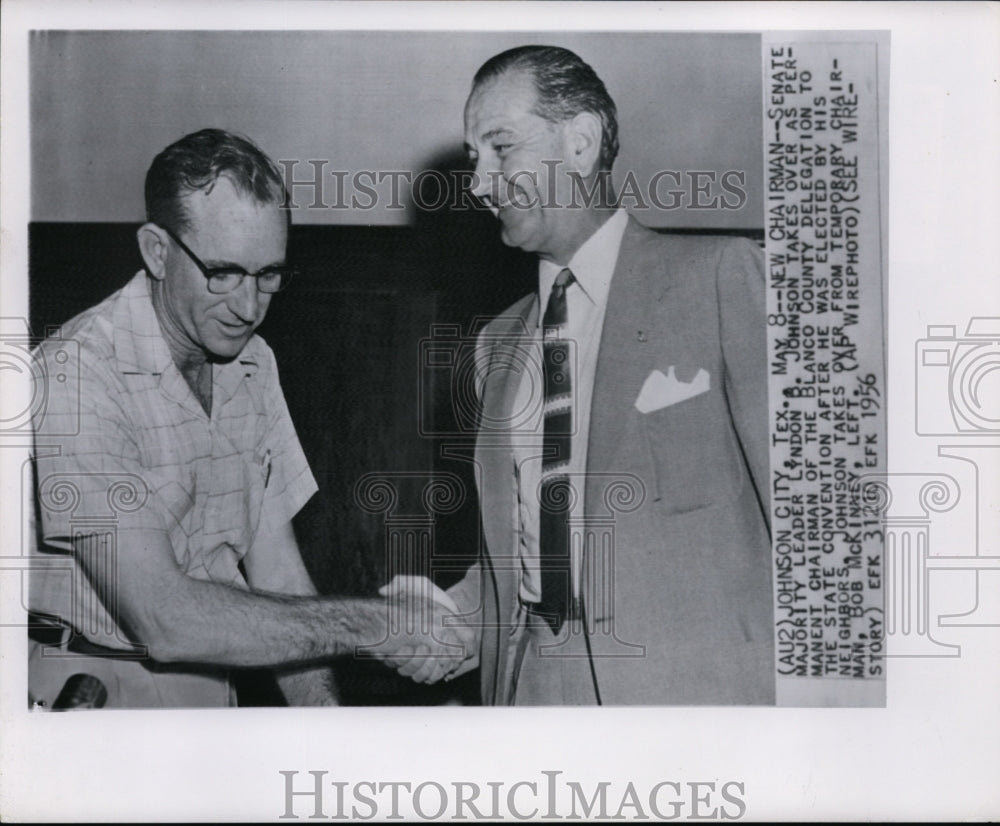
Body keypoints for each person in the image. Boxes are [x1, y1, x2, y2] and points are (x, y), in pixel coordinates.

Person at [386, 45, 774, 705]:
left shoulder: (721, 277)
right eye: (474, 158)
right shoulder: (494, 345)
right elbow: (524, 561)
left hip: (697, 699)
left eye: (500, 148)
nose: (479, 184)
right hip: (532, 683)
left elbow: (820, 536)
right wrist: (445, 618)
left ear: (581, 142)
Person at [28, 128, 467, 708]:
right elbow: (164, 620)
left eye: (268, 275)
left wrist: (328, 732)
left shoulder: (253, 363)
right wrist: (377, 623)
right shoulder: (77, 371)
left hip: (217, 682)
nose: (249, 307)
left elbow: (279, 578)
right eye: (224, 272)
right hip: (94, 690)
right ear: (157, 251)